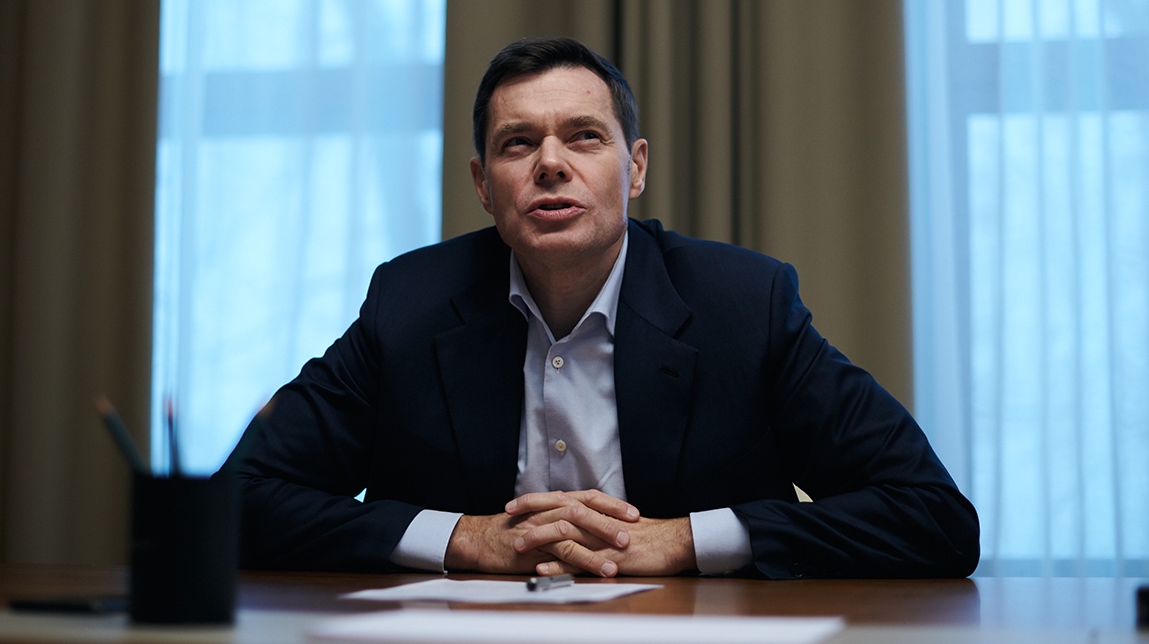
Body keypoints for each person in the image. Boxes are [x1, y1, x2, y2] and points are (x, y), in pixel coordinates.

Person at [229, 36, 980, 579]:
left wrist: (682, 541)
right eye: (518, 143)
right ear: (483, 185)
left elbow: (934, 518)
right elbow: (235, 503)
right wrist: (463, 539)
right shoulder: (410, 305)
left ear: (635, 168)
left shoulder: (743, 305)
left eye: (584, 137)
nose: (551, 163)